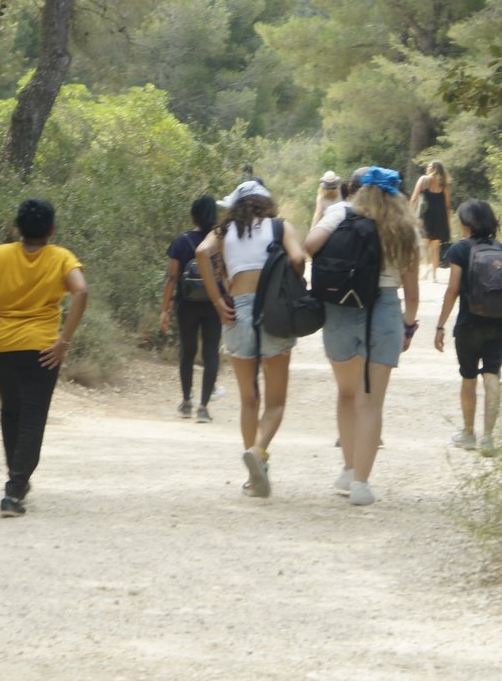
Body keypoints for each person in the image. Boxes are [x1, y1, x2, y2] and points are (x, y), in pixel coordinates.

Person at [305, 166, 419, 506]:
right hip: (383, 309)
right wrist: (408, 326)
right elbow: (411, 294)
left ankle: (347, 466)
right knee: (371, 401)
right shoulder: (402, 228)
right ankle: (361, 484)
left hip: (340, 306)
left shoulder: (339, 212)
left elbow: (310, 245)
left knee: (346, 393)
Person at [0, 198, 88, 517]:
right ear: (52, 229)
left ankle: (16, 479)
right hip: (43, 349)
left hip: (1, 344)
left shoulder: (0, 254)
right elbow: (81, 291)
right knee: (32, 417)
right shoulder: (62, 257)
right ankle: (14, 489)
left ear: (17, 227)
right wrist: (64, 340)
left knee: (12, 411)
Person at [195, 179, 306, 498]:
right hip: (274, 312)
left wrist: (217, 300)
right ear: (267, 204)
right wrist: (292, 282)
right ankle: (258, 452)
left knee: (248, 399)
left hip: (237, 311)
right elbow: (298, 259)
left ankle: (253, 477)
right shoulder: (280, 227)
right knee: (275, 402)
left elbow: (201, 252)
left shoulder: (224, 232)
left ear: (235, 206)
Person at [433, 199, 502, 456]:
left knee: (468, 377)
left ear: (466, 223)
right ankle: (488, 438)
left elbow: (453, 290)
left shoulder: (459, 250)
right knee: (492, 375)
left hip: (469, 324)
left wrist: (440, 325)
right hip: (500, 323)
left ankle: (469, 434)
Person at [160, 196, 222, 422]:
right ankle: (204, 407)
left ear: (193, 215)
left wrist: (164, 308)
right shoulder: (219, 240)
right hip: (214, 303)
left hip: (186, 304)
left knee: (187, 351)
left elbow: (171, 277)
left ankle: (186, 401)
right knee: (211, 352)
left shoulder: (181, 241)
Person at [409, 160, 453, 281]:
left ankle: (426, 267)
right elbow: (448, 205)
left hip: (425, 216)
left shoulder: (423, 180)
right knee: (435, 247)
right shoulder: (443, 184)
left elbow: (414, 198)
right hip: (440, 217)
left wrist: (409, 212)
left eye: (429, 167)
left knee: (423, 245)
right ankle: (434, 275)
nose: (427, 169)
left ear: (434, 169)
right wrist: (447, 221)